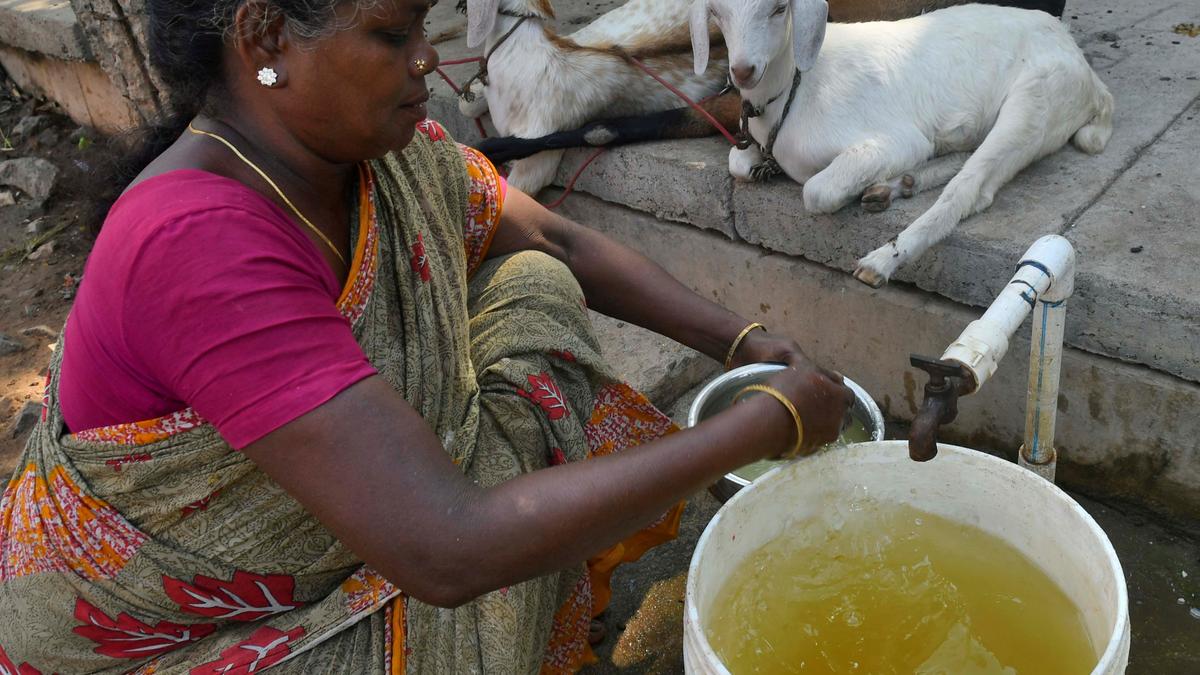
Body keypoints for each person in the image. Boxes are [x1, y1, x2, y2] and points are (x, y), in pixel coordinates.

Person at [0, 0, 852, 672]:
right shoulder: (196, 245)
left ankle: (526, 594)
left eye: (422, 26)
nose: (427, 59)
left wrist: (746, 342)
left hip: (361, 530)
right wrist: (761, 425)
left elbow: (554, 239)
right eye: (391, 34)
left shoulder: (370, 154)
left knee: (532, 283)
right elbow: (447, 550)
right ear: (265, 38)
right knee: (478, 578)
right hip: (180, 634)